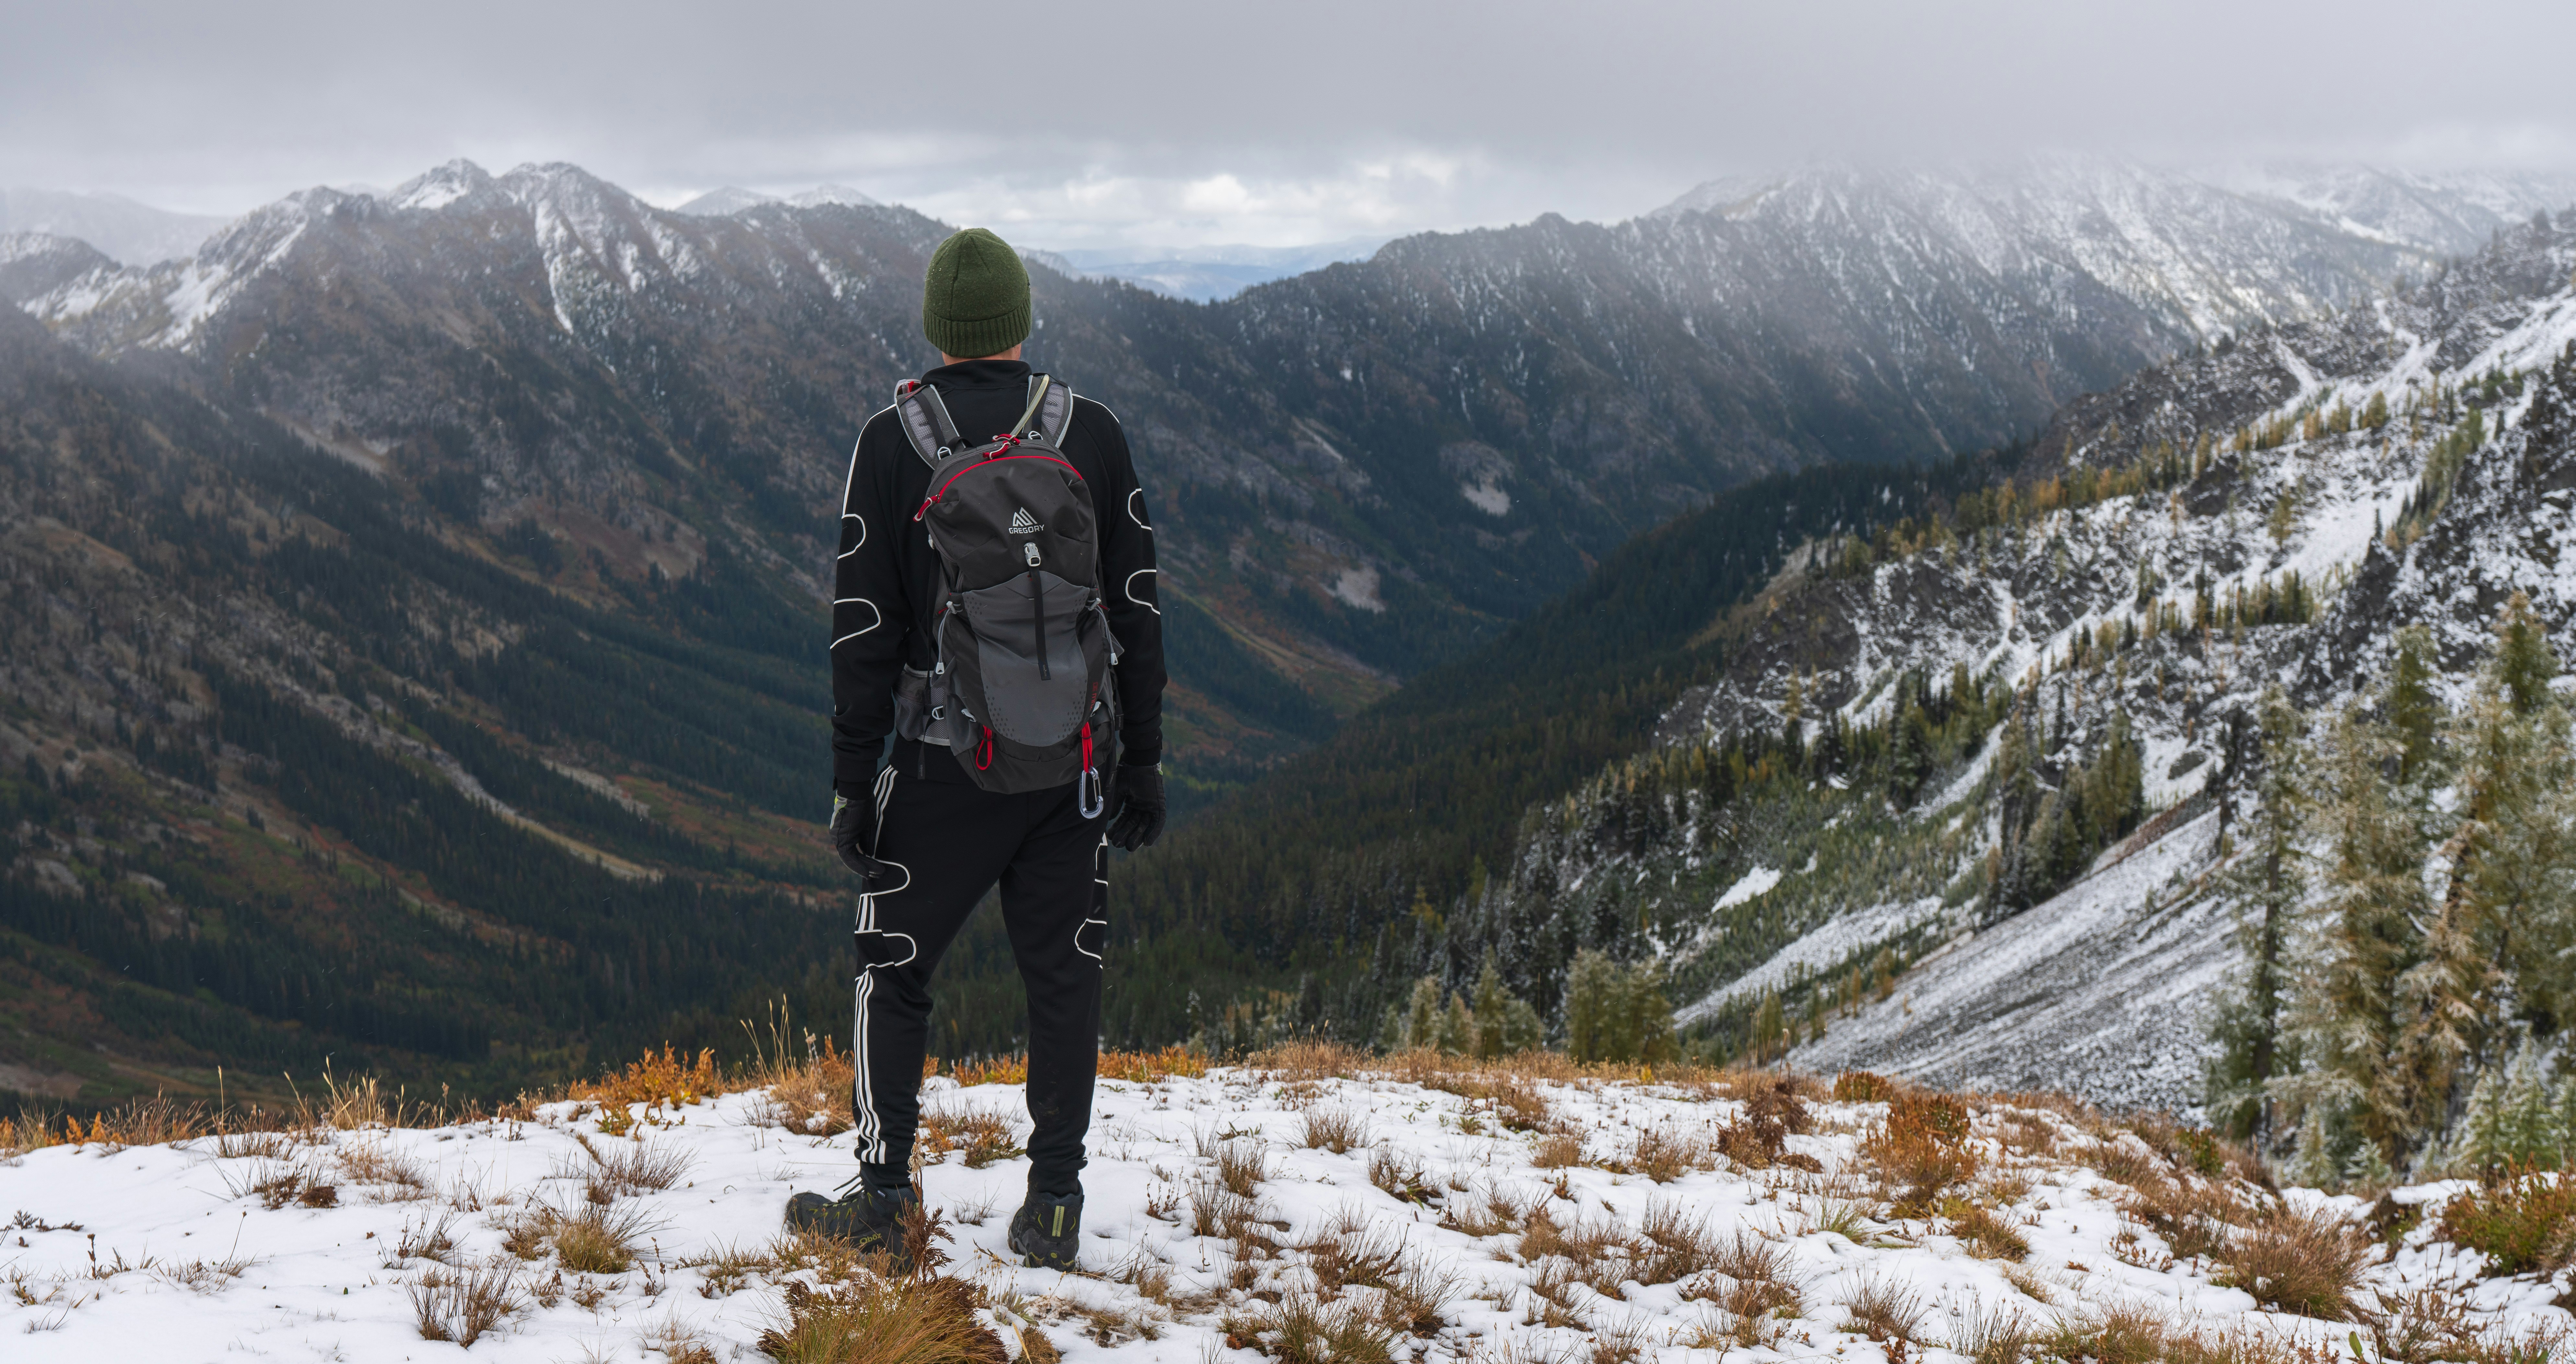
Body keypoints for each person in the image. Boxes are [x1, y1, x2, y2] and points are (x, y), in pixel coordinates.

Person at [786, 228, 1168, 1270]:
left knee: (892, 963)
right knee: (1065, 978)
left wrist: (851, 783)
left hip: (943, 766)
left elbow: (862, 632)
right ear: (1021, 320)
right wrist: (1143, 760)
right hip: (1073, 764)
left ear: (938, 328)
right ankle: (1053, 1204)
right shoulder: (1091, 433)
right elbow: (1135, 607)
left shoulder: (890, 441)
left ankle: (882, 1195)